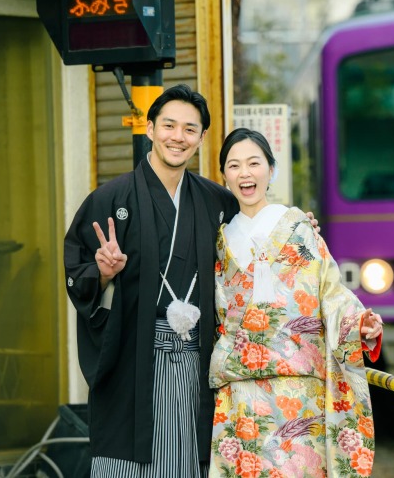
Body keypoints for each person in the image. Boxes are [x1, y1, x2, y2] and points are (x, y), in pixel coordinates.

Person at [64, 85, 319, 476]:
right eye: (168, 125)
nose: (177, 137)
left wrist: (299, 231)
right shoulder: (110, 199)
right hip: (136, 361)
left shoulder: (216, 200)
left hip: (196, 362)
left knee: (191, 459)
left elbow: (259, 242)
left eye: (189, 129)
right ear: (149, 129)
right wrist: (102, 272)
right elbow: (75, 272)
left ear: (201, 138)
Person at [208, 128, 384, 477]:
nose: (245, 173)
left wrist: (358, 322)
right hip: (240, 390)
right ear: (224, 176)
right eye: (234, 165)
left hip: (298, 390)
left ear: (271, 170)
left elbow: (330, 292)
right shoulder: (218, 240)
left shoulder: (299, 229)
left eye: (254, 163)